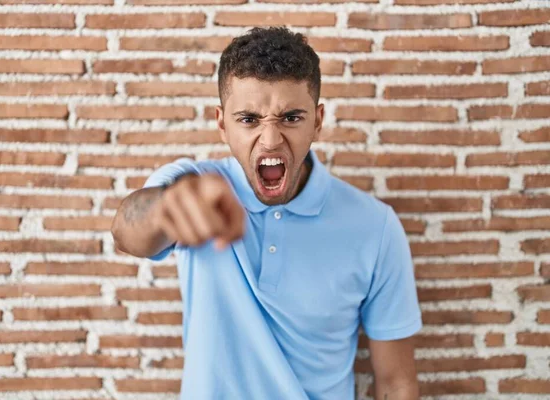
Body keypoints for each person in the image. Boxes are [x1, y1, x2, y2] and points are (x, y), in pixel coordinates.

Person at [112, 27, 421, 400]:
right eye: (249, 119)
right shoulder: (191, 184)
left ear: (318, 121)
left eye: (291, 117)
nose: (271, 139)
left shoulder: (377, 226)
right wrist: (169, 207)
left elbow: (395, 383)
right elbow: (127, 232)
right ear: (221, 123)